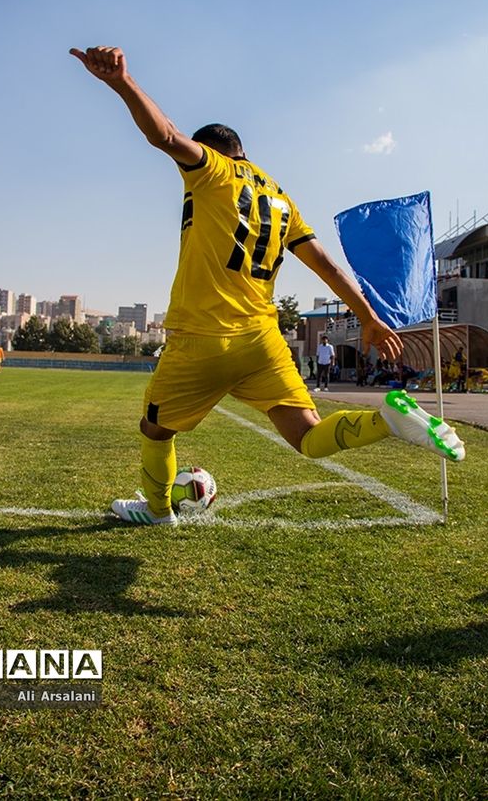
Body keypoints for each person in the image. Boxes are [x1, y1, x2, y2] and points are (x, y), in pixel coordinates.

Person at [70, 45, 465, 526]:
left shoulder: (213, 170)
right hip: (262, 340)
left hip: (202, 337)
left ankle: (157, 511)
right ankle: (386, 420)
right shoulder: (280, 197)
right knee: (308, 436)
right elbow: (327, 266)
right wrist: (369, 318)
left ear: (212, 152)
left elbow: (166, 135)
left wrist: (122, 83)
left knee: (155, 430)